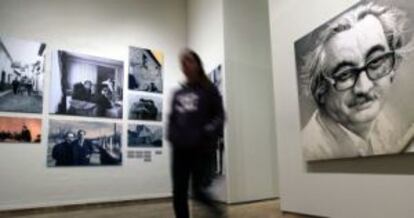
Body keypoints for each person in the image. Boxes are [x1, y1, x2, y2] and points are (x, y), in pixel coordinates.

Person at [299, 2, 414, 161]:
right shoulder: (310, 149)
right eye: (345, 74)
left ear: (393, 65)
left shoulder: (388, 124)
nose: (364, 88)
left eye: (375, 62)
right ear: (320, 90)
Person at [168, 48, 225, 218]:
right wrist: (172, 136)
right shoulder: (178, 93)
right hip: (180, 151)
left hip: (200, 149)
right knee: (178, 193)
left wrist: (208, 131)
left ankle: (217, 211)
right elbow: (172, 119)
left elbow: (220, 116)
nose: (185, 64)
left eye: (189, 60)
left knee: (198, 192)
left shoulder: (209, 90)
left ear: (197, 64)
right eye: (182, 62)